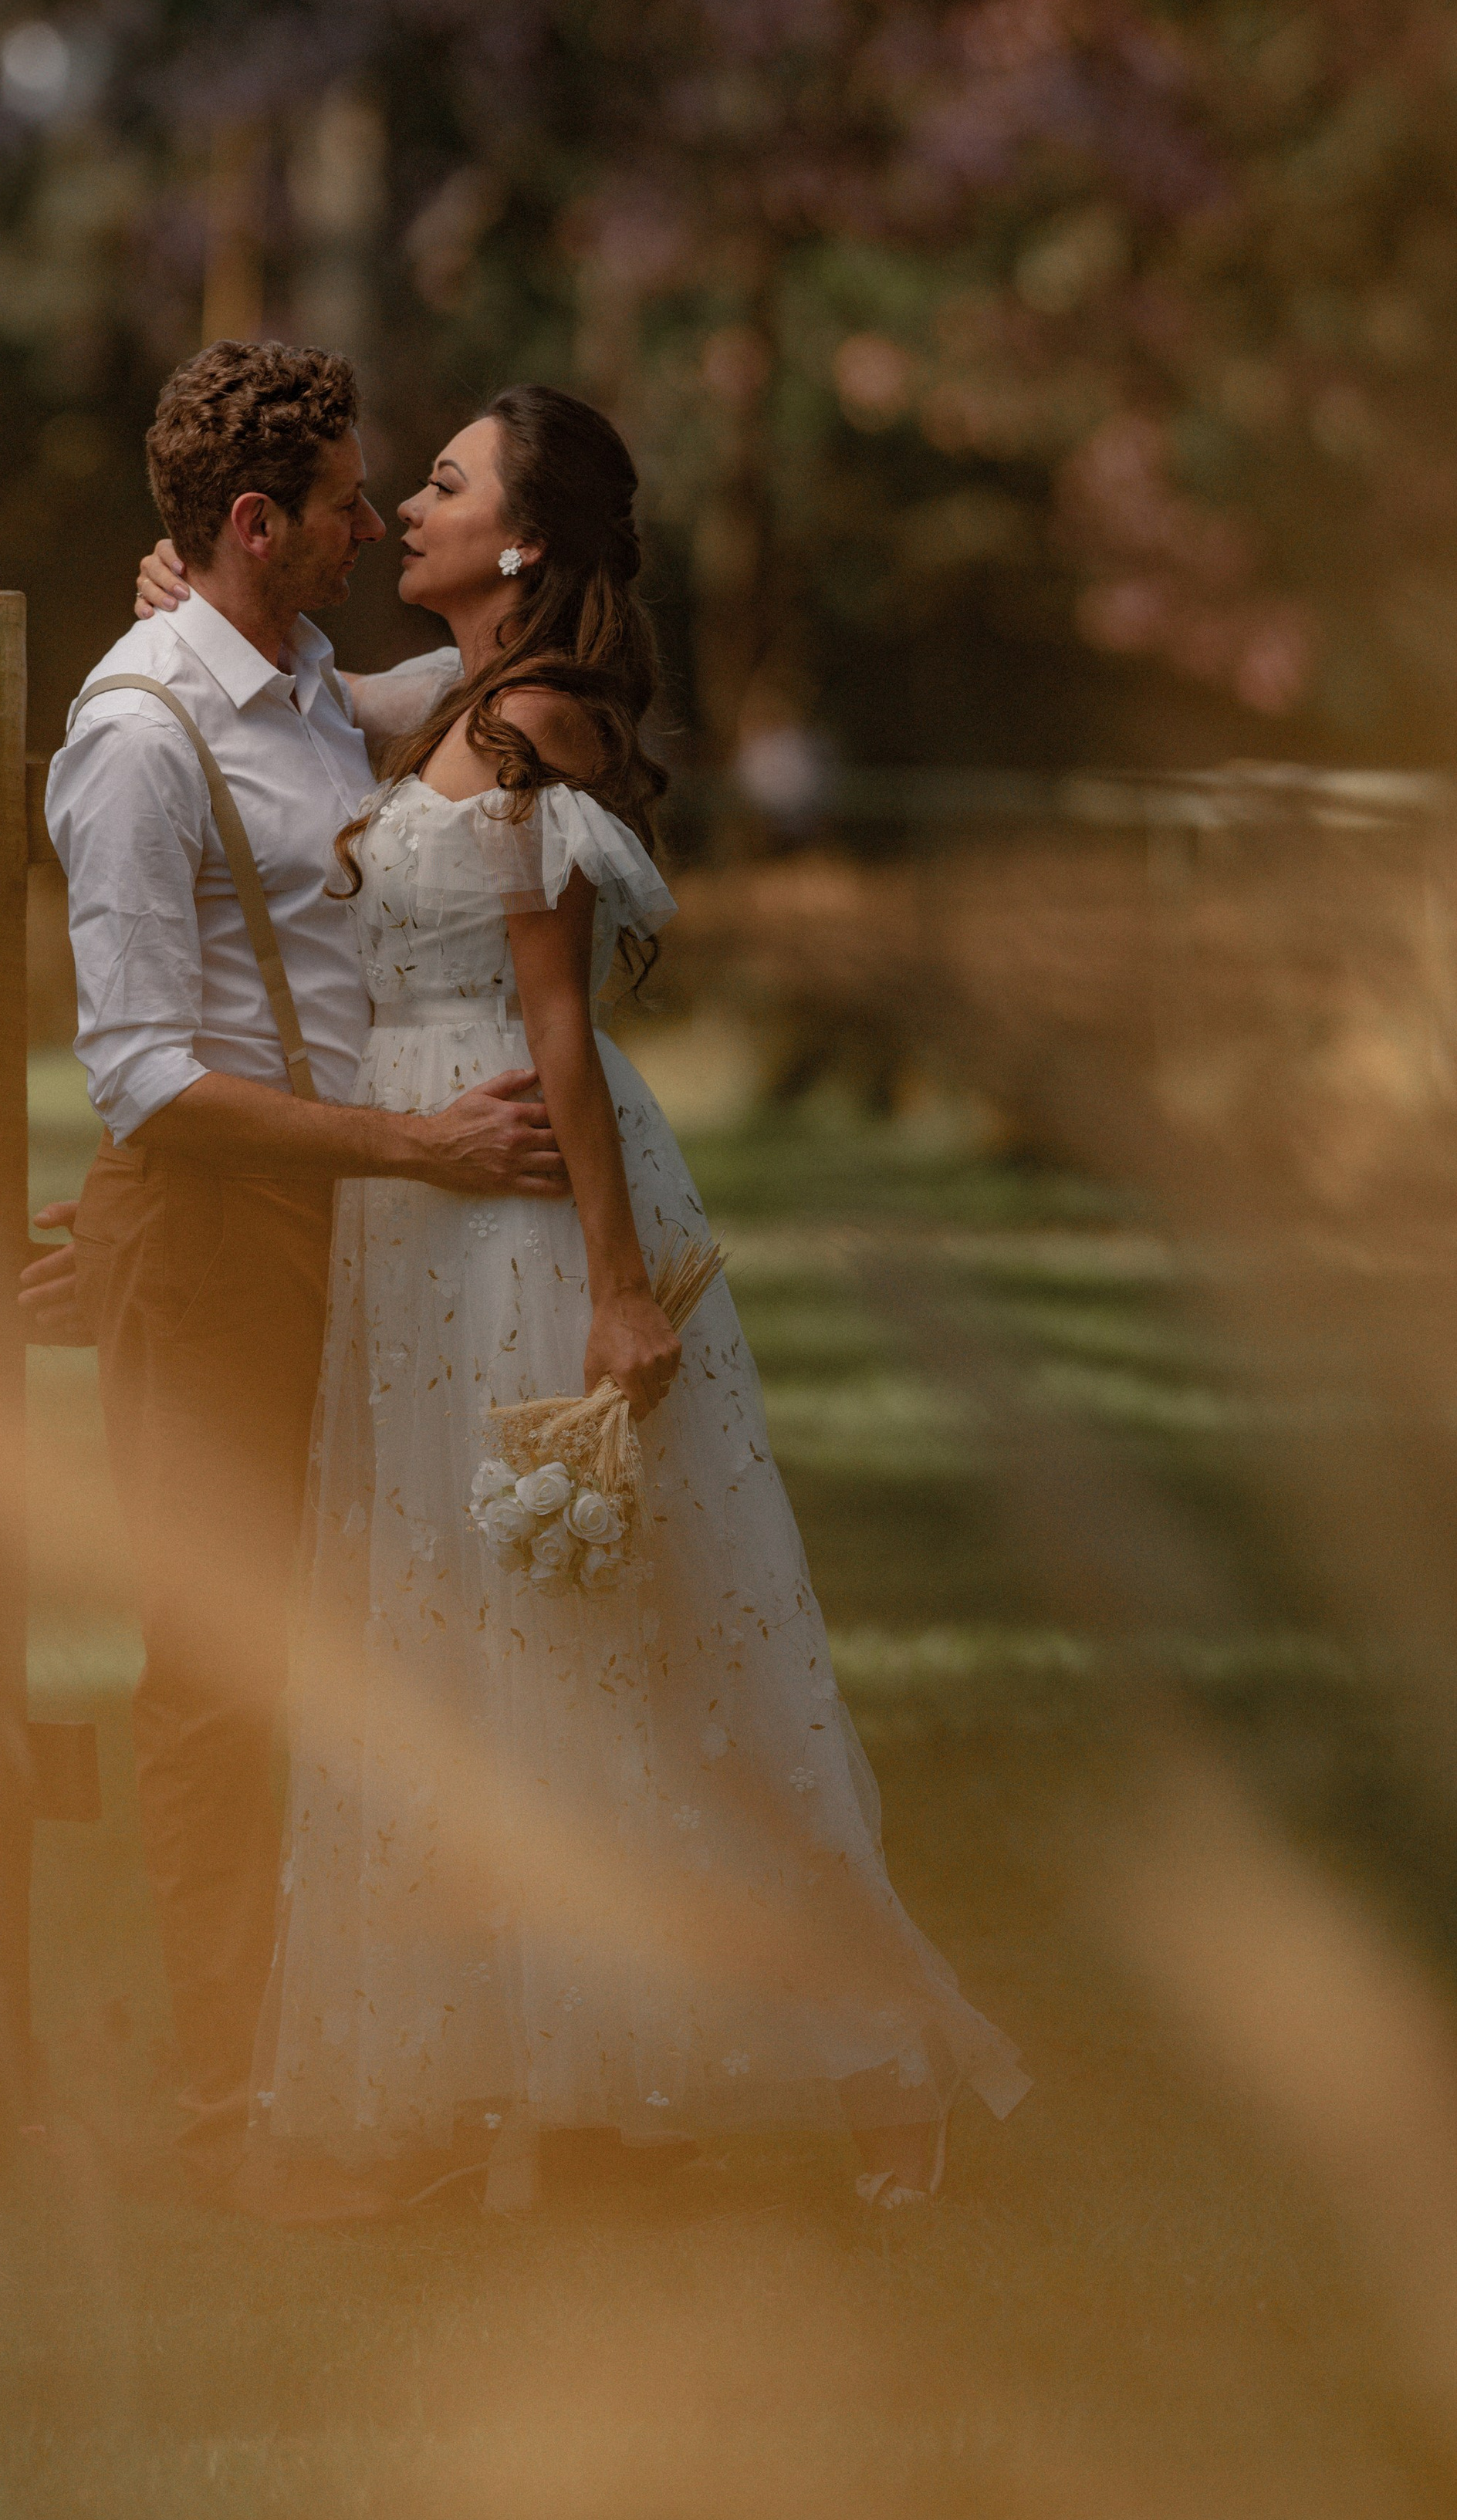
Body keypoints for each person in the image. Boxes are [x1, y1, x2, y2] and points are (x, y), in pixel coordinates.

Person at [125, 385, 1029, 2217]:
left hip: (526, 1201)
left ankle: (878, 2059)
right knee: (481, 1652)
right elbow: (305, 698)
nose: (400, 512)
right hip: (419, 1207)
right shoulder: (445, 701)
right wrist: (190, 609)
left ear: (520, 543)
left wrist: (618, 1296)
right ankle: (543, 2086)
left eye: (441, 486)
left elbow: (556, 1028)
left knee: (640, 1640)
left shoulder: (533, 722)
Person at [32, 340, 573, 2211]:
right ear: (259, 524)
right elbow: (143, 1074)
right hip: (225, 1233)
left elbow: (456, 681)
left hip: (333, 1226)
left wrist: (543, 565)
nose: (371, 520)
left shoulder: (303, 685)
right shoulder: (134, 732)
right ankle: (224, 2123)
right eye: (344, 500)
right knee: (217, 1675)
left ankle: (353, 2072)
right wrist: (411, 1152)